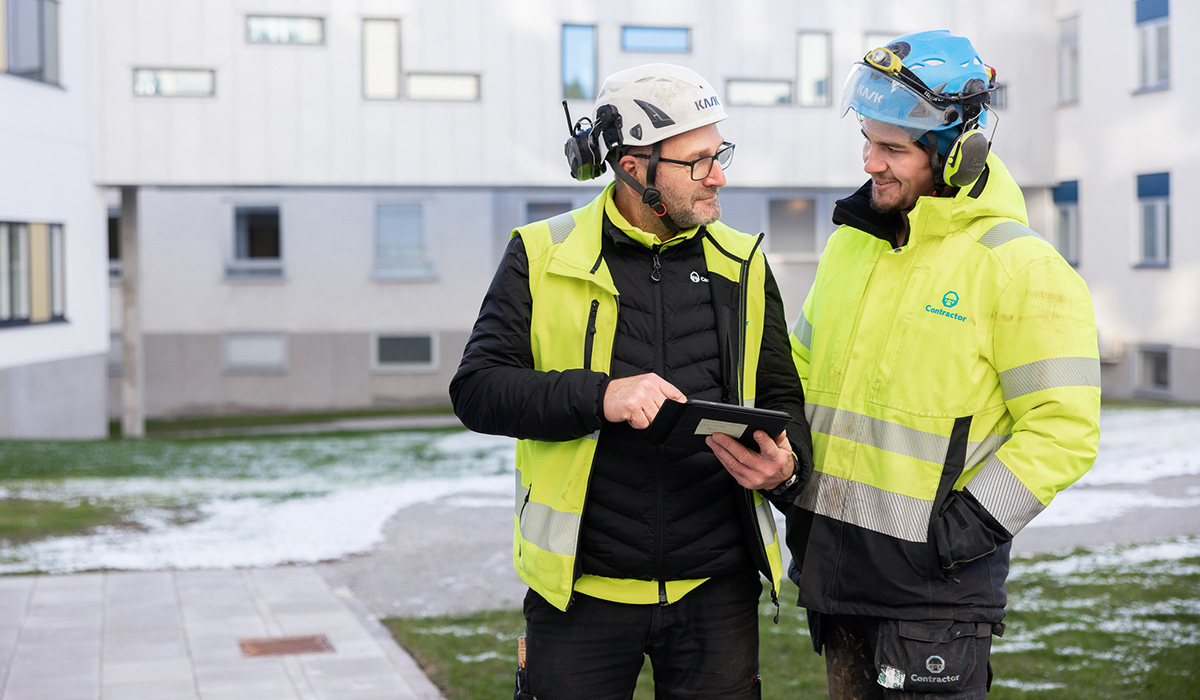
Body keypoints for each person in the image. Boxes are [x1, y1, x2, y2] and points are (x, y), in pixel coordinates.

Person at [449, 63, 813, 699]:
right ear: (633, 165)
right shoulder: (539, 254)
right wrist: (602, 395)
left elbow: (782, 402)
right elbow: (477, 389)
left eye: (718, 154)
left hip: (715, 593)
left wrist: (786, 471)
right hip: (580, 596)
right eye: (697, 162)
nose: (718, 176)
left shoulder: (744, 263)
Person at [782, 30, 1102, 699]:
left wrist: (951, 538)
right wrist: (784, 464)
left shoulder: (1019, 267)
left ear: (960, 152)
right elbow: (803, 370)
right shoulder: (852, 246)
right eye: (867, 141)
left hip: (934, 605)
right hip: (838, 581)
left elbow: (1063, 429)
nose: (871, 162)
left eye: (892, 148)